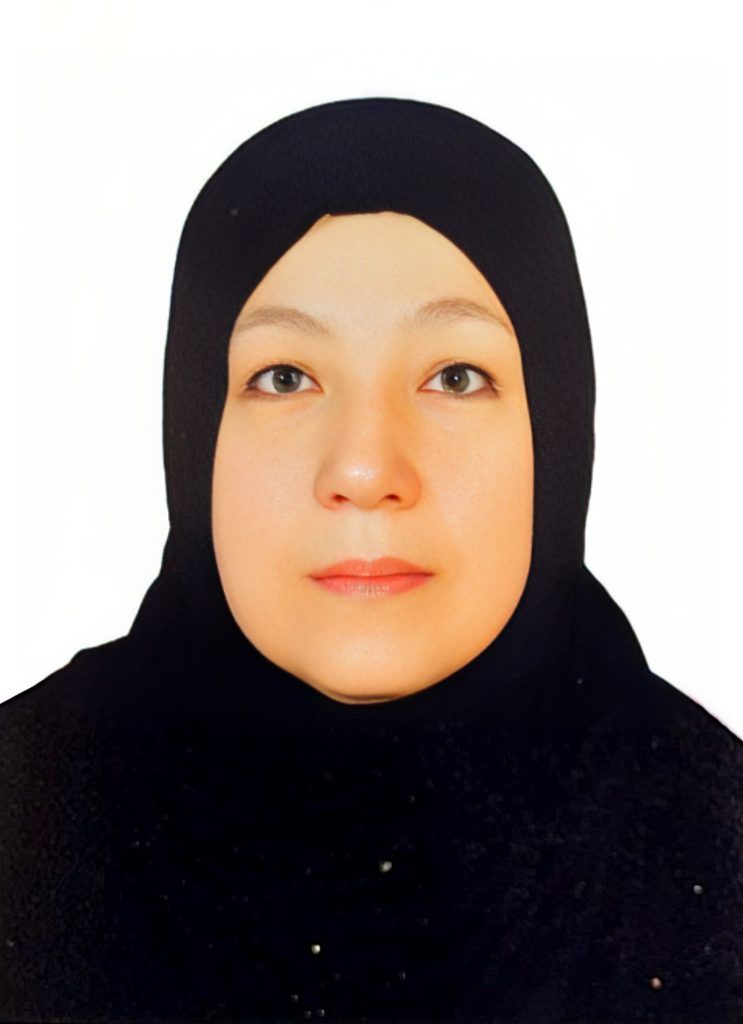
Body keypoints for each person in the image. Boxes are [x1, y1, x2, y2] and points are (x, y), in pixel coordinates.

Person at [1, 96, 741, 1023]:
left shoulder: (713, 844)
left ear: (557, 433)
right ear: (194, 433)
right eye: (284, 378)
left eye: (455, 378)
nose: (362, 470)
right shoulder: (28, 813)